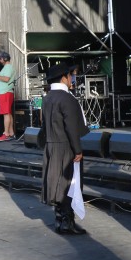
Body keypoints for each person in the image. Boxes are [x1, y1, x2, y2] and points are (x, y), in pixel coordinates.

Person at [41, 63, 89, 235]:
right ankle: (67, 222)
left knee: (58, 184)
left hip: (52, 146)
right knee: (70, 184)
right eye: (71, 75)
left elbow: (44, 125)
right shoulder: (67, 98)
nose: (72, 79)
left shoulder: (47, 97)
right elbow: (71, 127)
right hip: (66, 147)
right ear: (64, 77)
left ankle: (59, 220)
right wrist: (78, 150)